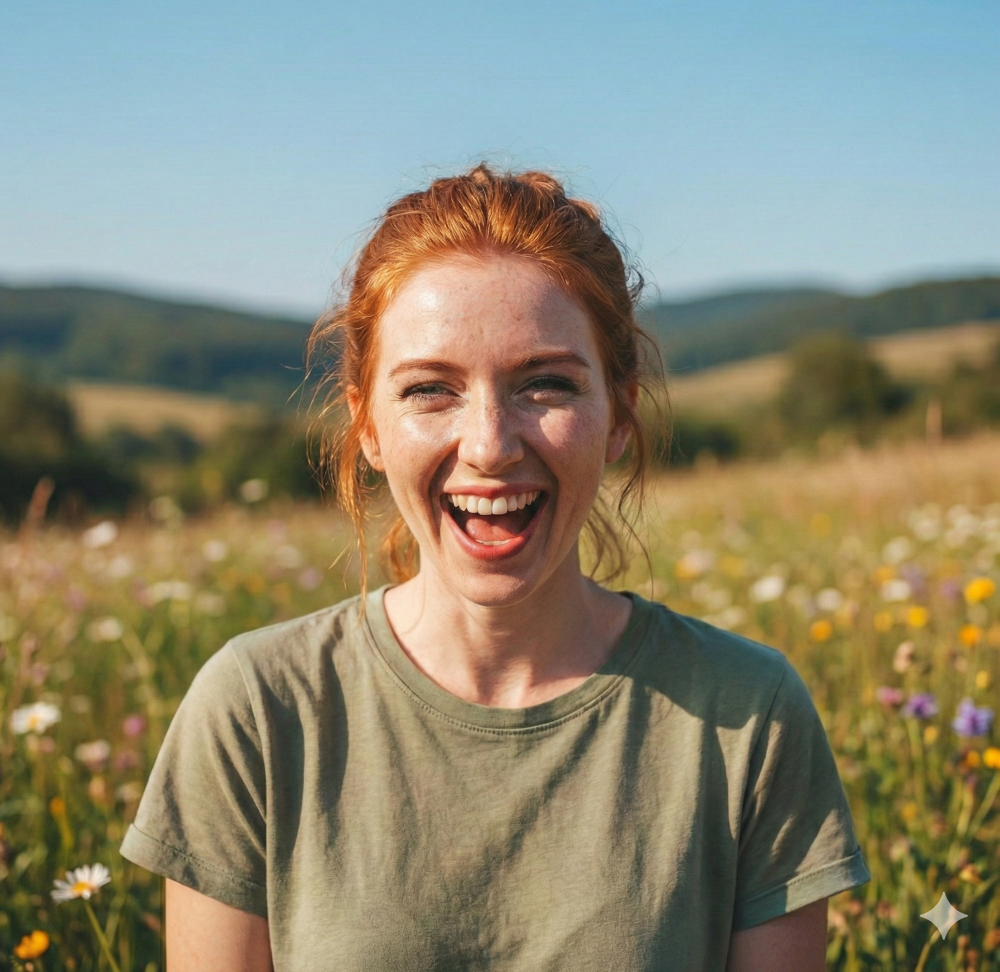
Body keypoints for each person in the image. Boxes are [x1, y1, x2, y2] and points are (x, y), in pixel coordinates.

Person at [121, 165, 870, 971]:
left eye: (544, 383)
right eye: (430, 390)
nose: (488, 445)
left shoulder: (748, 718)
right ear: (367, 425)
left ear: (619, 415)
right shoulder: (261, 713)